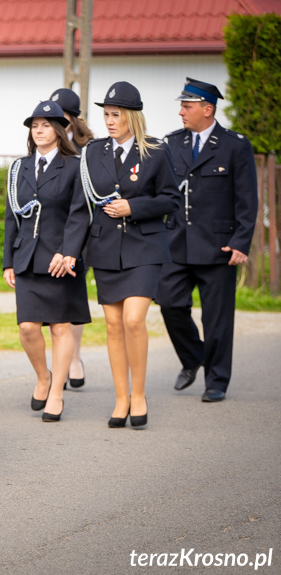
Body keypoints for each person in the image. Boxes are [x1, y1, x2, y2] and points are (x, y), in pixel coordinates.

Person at [81, 81, 180, 429]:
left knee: (134, 320)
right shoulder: (92, 152)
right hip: (106, 248)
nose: (109, 121)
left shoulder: (155, 150)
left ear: (131, 117)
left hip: (145, 247)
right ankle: (121, 398)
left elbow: (171, 199)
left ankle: (139, 394)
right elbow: (82, 205)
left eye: (116, 115)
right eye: (106, 114)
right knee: (112, 324)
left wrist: (133, 206)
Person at [156, 78, 258, 402]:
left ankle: (217, 380)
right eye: (181, 106)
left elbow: (247, 198)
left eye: (186, 106)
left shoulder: (234, 145)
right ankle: (193, 357)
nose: (181, 112)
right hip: (177, 243)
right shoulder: (172, 143)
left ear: (207, 109)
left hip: (219, 246)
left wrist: (241, 241)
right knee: (169, 302)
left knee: (217, 319)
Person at [3, 100, 91, 422]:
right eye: (34, 126)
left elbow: (80, 214)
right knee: (27, 327)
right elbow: (12, 217)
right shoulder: (18, 168)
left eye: (46, 125)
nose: (39, 131)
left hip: (60, 260)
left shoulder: (75, 165)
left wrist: (68, 252)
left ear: (59, 130)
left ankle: (56, 393)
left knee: (60, 327)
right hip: (27, 258)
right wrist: (8, 261)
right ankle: (44, 376)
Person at [50, 87, 95, 389]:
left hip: (82, 230)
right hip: (52, 229)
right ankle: (62, 361)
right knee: (54, 300)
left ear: (70, 118)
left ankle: (74, 357)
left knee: (72, 296)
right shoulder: (45, 140)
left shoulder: (88, 148)